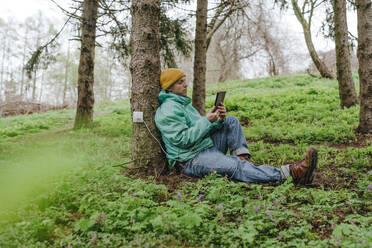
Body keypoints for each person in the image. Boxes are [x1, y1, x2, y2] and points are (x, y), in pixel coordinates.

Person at [155, 68, 317, 185]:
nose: (186, 85)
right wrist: (207, 121)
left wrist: (217, 120)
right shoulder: (168, 109)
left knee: (230, 121)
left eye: (184, 81)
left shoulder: (184, 105)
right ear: (169, 88)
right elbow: (182, 140)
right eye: (180, 83)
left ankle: (244, 161)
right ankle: (291, 173)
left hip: (204, 147)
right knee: (235, 166)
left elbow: (199, 131)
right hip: (190, 160)